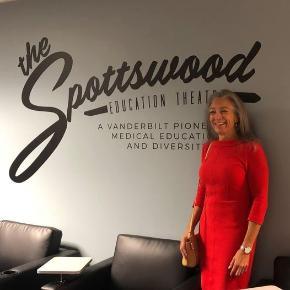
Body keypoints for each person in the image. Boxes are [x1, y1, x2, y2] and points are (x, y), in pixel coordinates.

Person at [180, 89, 269, 290]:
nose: (217, 117)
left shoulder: (251, 149)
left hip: (235, 237)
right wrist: (188, 229)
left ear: (237, 116)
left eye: (224, 111)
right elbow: (200, 194)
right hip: (206, 235)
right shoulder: (208, 148)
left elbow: (260, 199)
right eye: (212, 111)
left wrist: (245, 249)